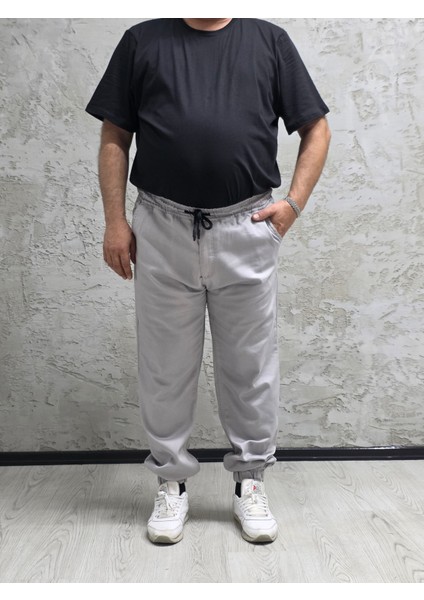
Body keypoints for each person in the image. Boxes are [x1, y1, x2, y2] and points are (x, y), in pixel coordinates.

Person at [86, 17, 331, 545]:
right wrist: (114, 222)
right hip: (161, 226)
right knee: (164, 366)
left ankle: (250, 482)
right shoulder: (142, 41)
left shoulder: (269, 41)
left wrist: (292, 205)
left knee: (251, 367)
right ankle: (171, 483)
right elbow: (114, 135)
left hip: (247, 225)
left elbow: (317, 127)